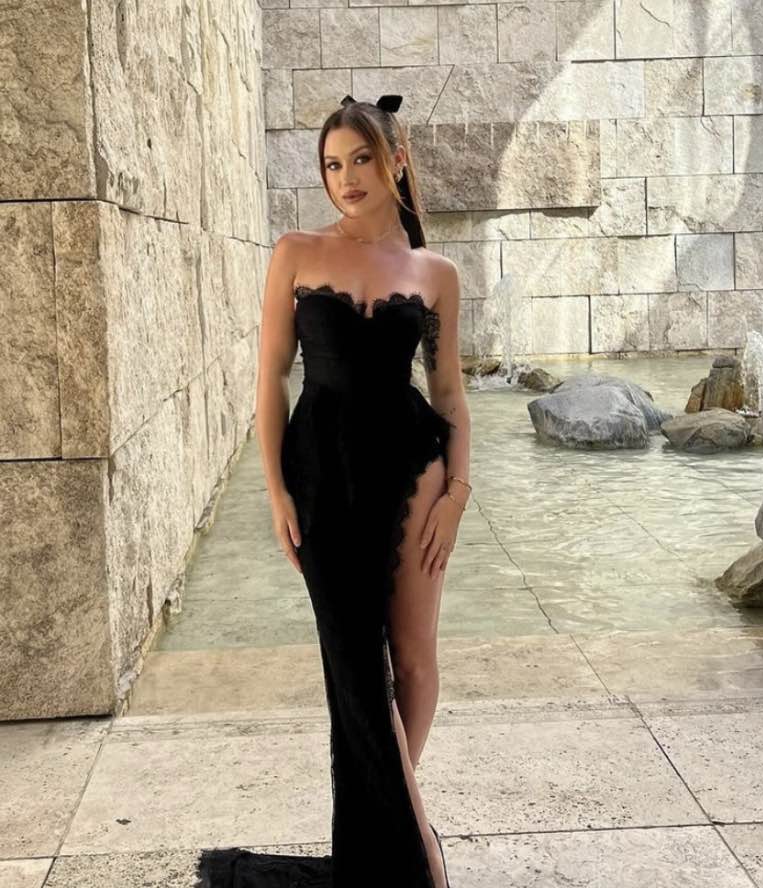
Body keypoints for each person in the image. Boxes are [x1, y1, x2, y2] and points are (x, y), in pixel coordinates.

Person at [195, 93, 472, 888]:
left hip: (415, 473)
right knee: (354, 665)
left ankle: (390, 834)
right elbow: (271, 377)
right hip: (321, 475)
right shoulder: (295, 251)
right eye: (331, 164)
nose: (346, 178)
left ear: (396, 161)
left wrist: (457, 493)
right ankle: (418, 854)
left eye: (360, 160)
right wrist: (276, 492)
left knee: (413, 662)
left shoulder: (436, 273)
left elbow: (449, 394)